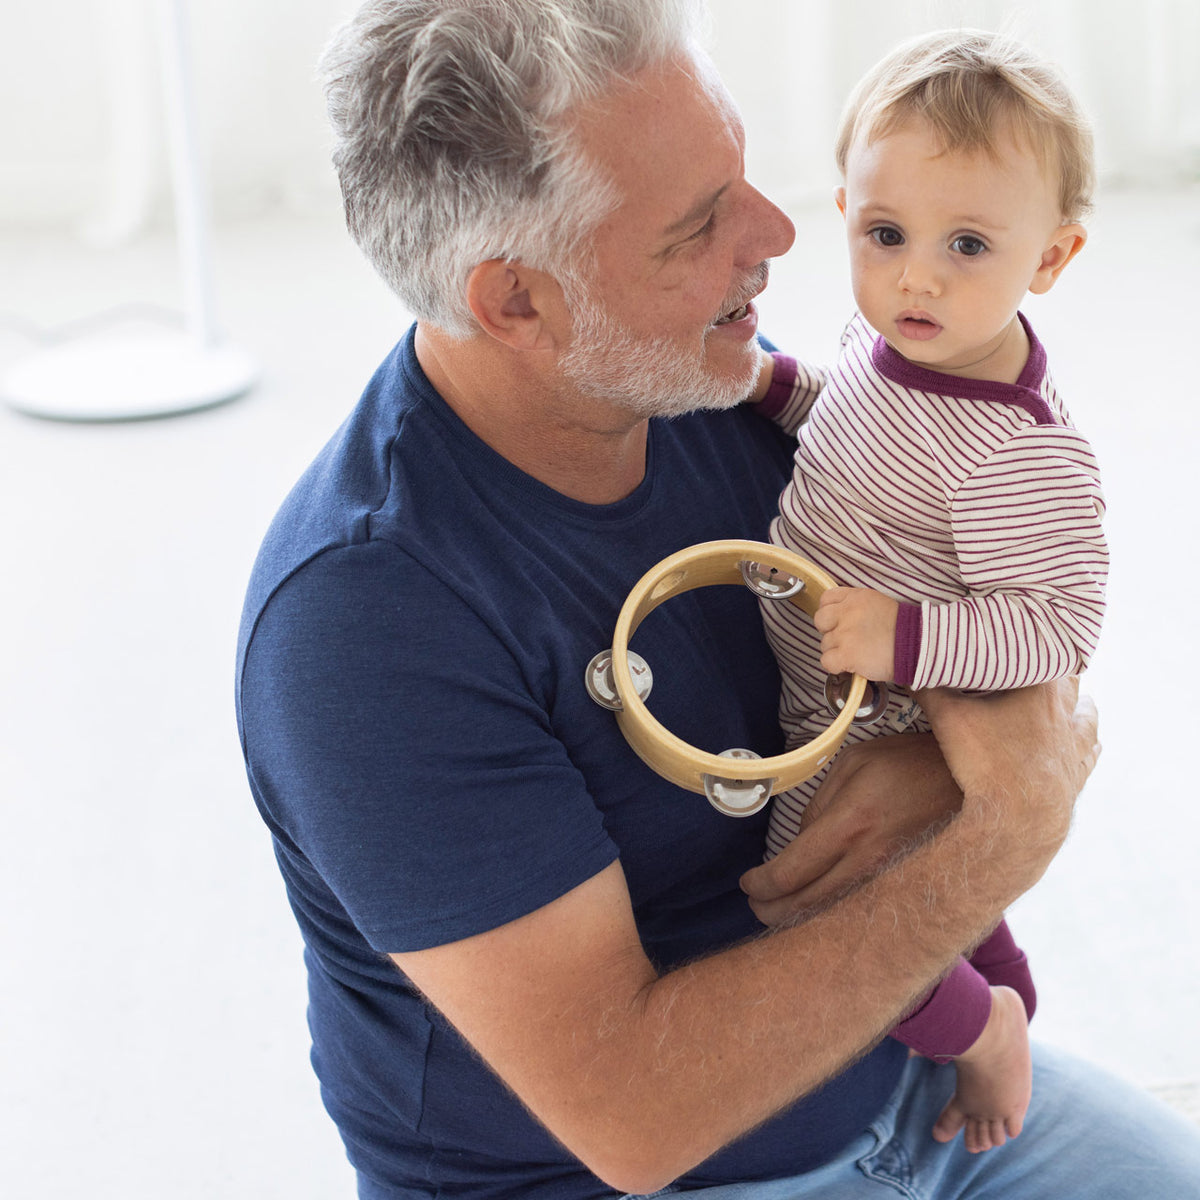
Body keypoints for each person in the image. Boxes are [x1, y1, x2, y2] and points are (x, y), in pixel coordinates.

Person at [234, 2, 1199, 1197]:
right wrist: (999, 832)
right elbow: (635, 1123)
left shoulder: (703, 373)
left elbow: (1011, 606)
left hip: (902, 1073)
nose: (783, 231)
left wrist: (925, 768)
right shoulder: (364, 630)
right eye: (697, 224)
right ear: (517, 302)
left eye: (739, 172)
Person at [750, 31, 1108, 1156]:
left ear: (1049, 259)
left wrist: (909, 637)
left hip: (880, 719)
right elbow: (858, 433)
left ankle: (984, 1034)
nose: (917, 276)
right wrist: (785, 390)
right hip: (826, 679)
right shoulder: (897, 340)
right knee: (936, 901)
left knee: (816, 899)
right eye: (884, 234)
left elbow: (1060, 625)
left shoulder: (1015, 452)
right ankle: (1000, 972)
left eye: (967, 245)